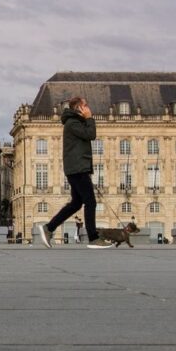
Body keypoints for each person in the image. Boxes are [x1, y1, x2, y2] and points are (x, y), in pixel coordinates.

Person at [38, 97, 109, 248]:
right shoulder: (73, 123)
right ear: (79, 108)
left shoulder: (74, 122)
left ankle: (49, 228)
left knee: (76, 203)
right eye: (85, 105)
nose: (88, 108)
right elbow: (91, 135)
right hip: (77, 168)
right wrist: (89, 118)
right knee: (90, 202)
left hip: (76, 168)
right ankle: (93, 238)